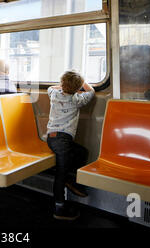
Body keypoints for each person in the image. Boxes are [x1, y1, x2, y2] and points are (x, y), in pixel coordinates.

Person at [46, 70, 95, 221]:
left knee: (80, 152)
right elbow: (91, 92)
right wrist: (82, 83)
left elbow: (50, 88)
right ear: (78, 88)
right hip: (64, 140)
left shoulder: (53, 94)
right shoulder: (76, 99)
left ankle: (68, 179)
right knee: (61, 173)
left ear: (61, 83)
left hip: (51, 138)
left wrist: (62, 85)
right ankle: (59, 208)